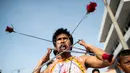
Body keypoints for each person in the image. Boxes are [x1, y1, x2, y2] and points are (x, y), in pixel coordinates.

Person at [34, 28, 114, 73]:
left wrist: (88, 46)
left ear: (71, 44)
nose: (62, 41)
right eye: (59, 39)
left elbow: (109, 60)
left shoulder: (82, 59)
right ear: (55, 46)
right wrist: (41, 62)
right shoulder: (51, 67)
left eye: (65, 38)